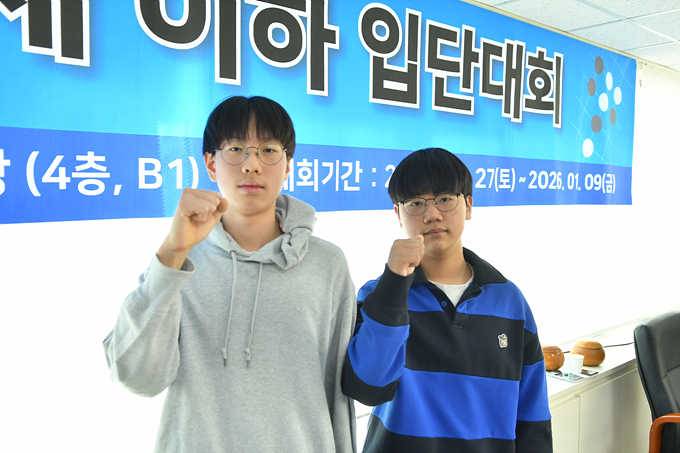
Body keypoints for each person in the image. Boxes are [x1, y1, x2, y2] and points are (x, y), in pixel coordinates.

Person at [103, 96, 357, 453]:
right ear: (211, 163)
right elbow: (137, 378)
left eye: (269, 150)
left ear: (288, 165)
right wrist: (172, 253)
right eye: (236, 149)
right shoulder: (178, 260)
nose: (252, 165)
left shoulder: (327, 264)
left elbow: (337, 393)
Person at [342, 148, 552, 452]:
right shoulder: (379, 295)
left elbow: (533, 417)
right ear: (398, 214)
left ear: (468, 206)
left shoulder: (510, 302)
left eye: (444, 198)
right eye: (416, 203)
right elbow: (368, 389)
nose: (432, 214)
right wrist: (394, 281)